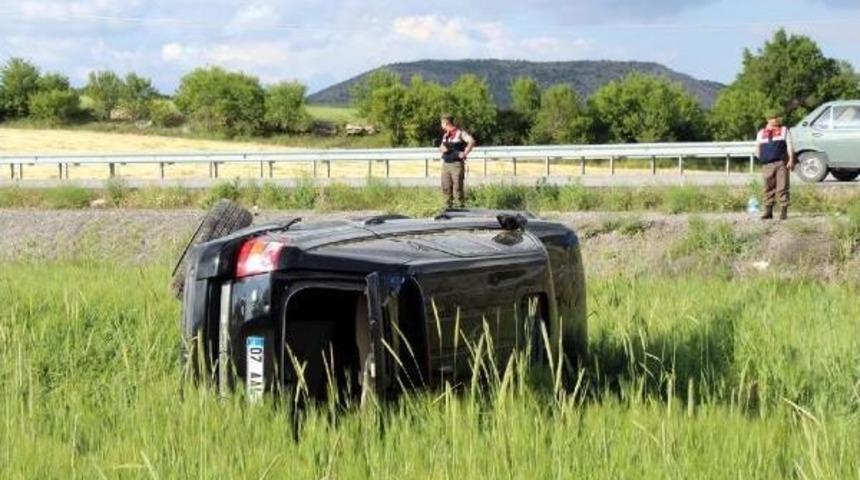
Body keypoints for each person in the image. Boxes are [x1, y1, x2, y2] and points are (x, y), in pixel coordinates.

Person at [756, 110, 796, 220]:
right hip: (767, 164)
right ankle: (768, 211)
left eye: (779, 117)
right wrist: (760, 157)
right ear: (769, 119)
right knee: (768, 187)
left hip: (781, 163)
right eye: (776, 117)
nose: (778, 120)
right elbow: (758, 146)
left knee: (782, 186)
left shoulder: (784, 130)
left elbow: (789, 145)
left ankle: (784, 211)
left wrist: (791, 160)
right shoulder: (761, 132)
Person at [439, 114, 476, 208]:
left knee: (457, 188)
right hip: (446, 164)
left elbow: (471, 141)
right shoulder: (445, 135)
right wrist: (442, 149)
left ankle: (460, 208)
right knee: (446, 187)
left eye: (442, 123)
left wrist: (465, 153)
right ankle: (447, 208)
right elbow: (441, 147)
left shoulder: (459, 133)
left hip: (456, 165)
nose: (441, 125)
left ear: (446, 122)